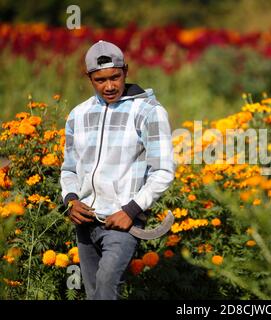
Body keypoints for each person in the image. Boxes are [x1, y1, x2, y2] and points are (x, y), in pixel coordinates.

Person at [60, 40, 175, 300]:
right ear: (89, 77)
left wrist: (131, 210)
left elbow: (164, 171)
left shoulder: (148, 112)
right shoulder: (78, 115)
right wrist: (70, 200)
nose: (109, 86)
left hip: (123, 223)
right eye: (100, 80)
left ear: (126, 71)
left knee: (105, 286)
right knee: (93, 294)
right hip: (85, 221)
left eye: (115, 77)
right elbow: (68, 168)